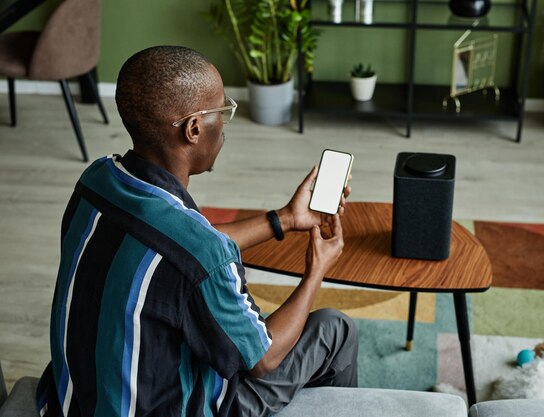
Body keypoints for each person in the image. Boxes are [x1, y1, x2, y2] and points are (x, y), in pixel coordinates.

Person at [36, 46, 358, 417]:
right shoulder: (201, 253)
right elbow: (263, 359)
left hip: (69, 404)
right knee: (334, 328)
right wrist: (316, 269)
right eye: (222, 112)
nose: (225, 122)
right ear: (193, 129)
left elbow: (182, 250)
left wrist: (284, 218)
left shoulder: (97, 179)